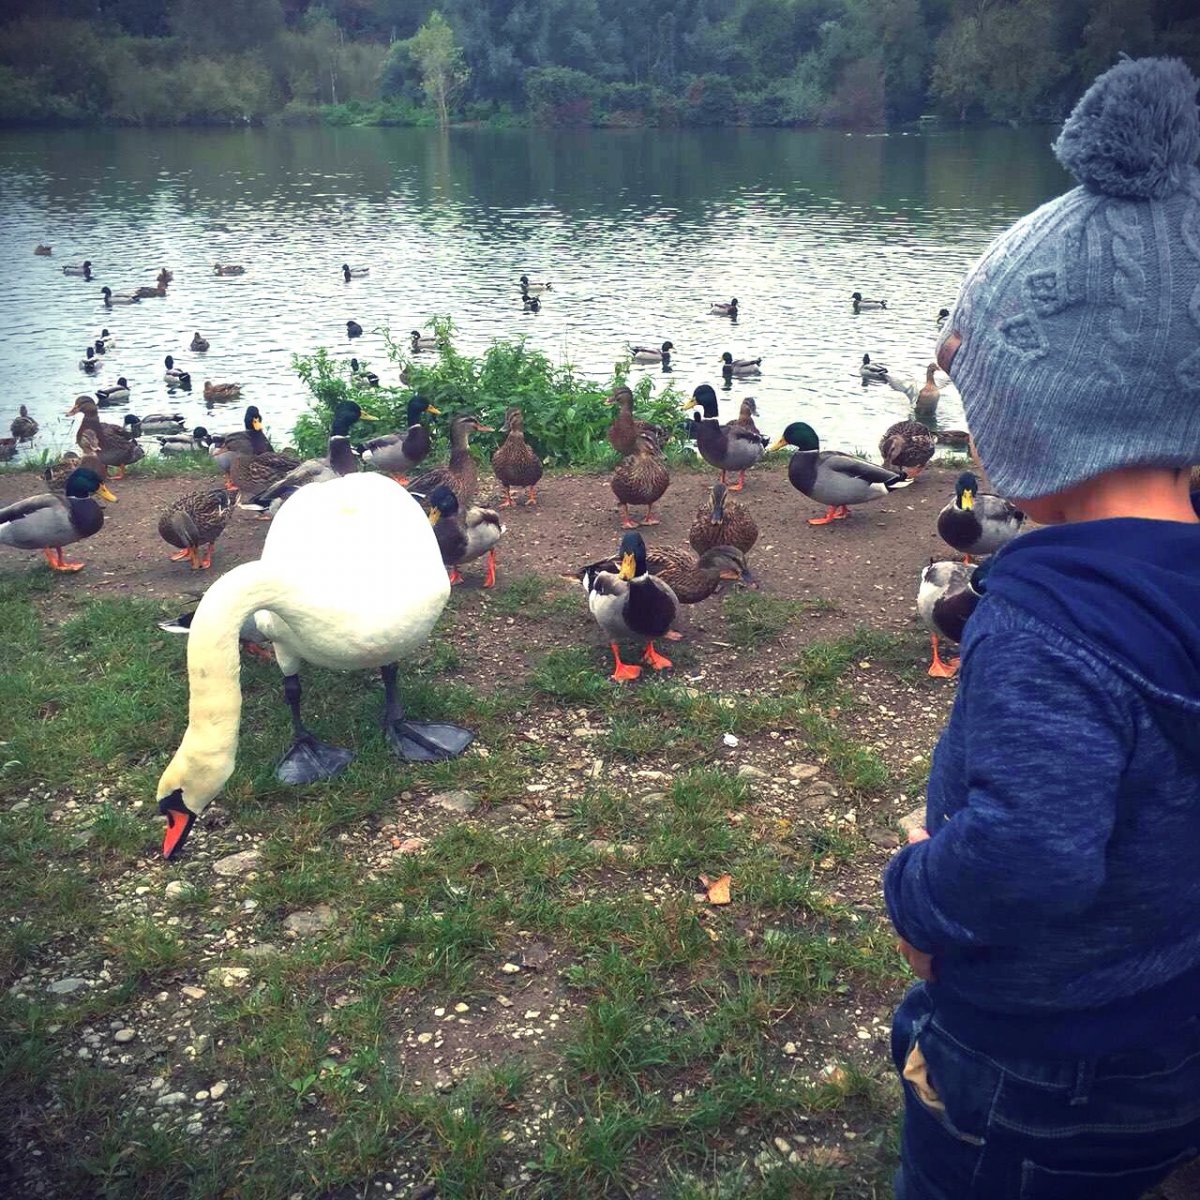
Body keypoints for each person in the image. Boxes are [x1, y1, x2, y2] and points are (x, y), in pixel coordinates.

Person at [884, 55, 1200, 1200]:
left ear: (1037, 420)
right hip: (1171, 1019)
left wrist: (917, 888)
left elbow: (1030, 857)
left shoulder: (1046, 622)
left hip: (1034, 1060)